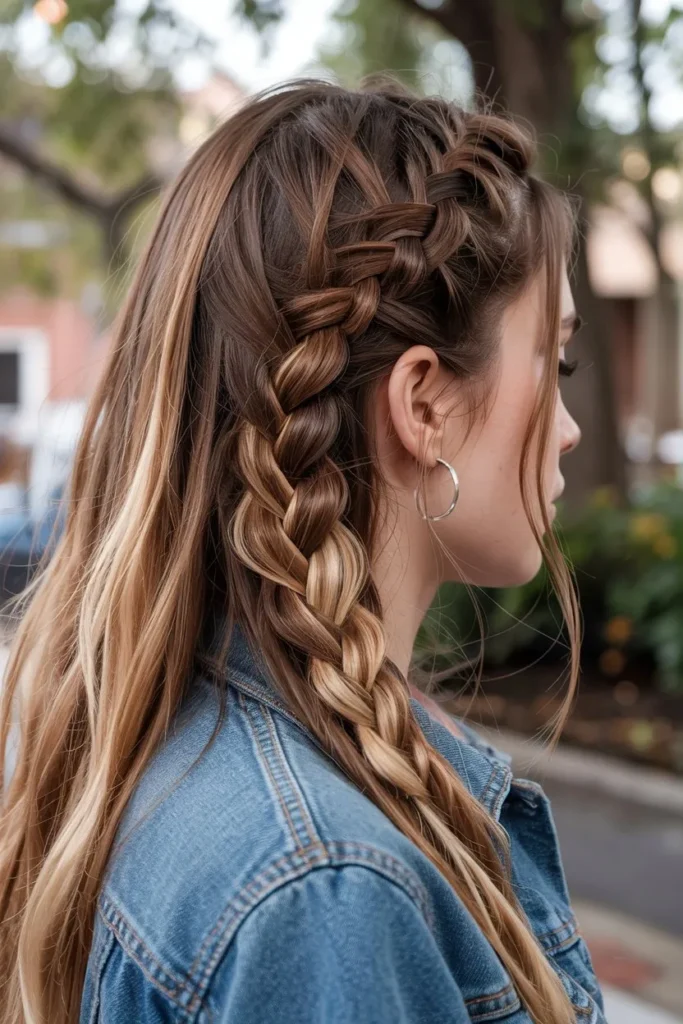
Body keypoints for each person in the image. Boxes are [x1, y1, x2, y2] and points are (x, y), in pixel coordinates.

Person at [0, 78, 604, 1024]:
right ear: (423, 405)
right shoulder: (325, 893)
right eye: (552, 362)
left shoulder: (170, 754)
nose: (567, 429)